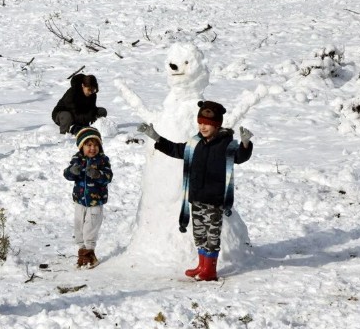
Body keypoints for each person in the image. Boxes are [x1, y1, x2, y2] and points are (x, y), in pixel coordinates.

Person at [138, 101, 253, 281]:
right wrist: (156, 137)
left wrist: (245, 144)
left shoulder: (225, 145)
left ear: (216, 125)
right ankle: (202, 265)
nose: (203, 126)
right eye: (200, 123)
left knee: (212, 235)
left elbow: (239, 156)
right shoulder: (194, 143)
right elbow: (177, 150)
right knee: (199, 234)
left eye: (207, 124)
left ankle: (210, 270)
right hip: (197, 197)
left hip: (214, 200)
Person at [63, 127, 113, 268]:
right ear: (81, 146)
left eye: (96, 145)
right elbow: (67, 174)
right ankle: (82, 252)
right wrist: (72, 171)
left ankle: (90, 254)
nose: (93, 148)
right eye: (89, 145)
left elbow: (108, 177)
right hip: (80, 201)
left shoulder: (102, 160)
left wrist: (98, 175)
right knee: (79, 228)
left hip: (95, 201)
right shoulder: (77, 159)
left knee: (90, 228)